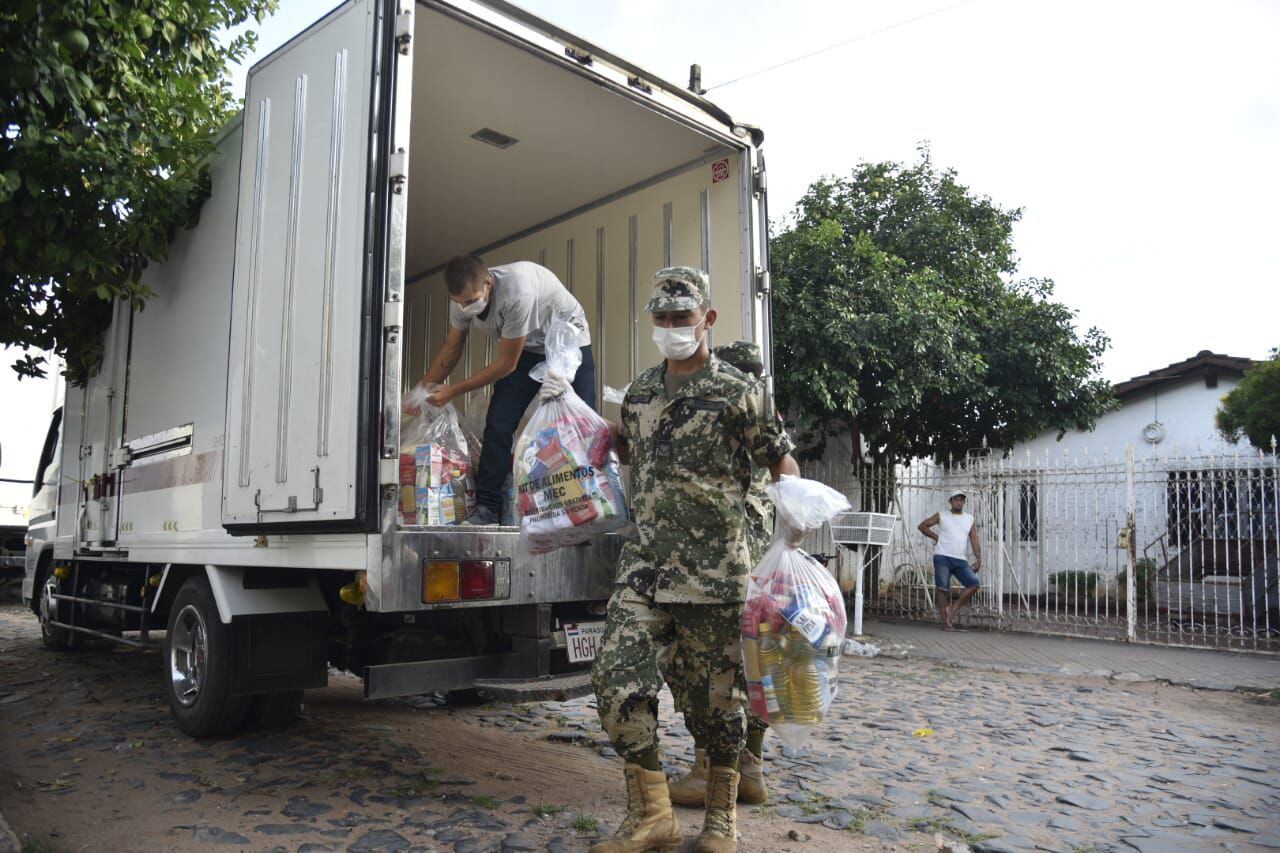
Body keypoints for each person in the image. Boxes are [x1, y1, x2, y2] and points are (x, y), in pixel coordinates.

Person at [589, 267, 798, 853]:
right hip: (645, 566)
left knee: (718, 708)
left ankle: (721, 817)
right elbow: (633, 451)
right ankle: (651, 814)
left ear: (706, 319)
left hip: (716, 573)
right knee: (614, 681)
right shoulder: (640, 392)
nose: (672, 328)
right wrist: (591, 427)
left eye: (683, 318)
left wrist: (796, 512)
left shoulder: (740, 391)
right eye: (662, 318)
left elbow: (781, 463)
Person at [665, 341, 771, 809]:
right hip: (762, 580)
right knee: (754, 666)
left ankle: (707, 766)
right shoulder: (766, 429)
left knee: (697, 665)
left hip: (722, 574)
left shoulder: (729, 427)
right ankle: (752, 769)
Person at [410, 255, 593, 525]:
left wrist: (454, 390)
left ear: (489, 282)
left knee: (579, 426)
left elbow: (508, 364)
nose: (465, 307)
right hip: (529, 349)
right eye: (459, 302)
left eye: (471, 301)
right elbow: (452, 348)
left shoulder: (518, 291)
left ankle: (589, 503)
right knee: (498, 423)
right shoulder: (461, 302)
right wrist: (420, 393)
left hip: (568, 344)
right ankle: (488, 507)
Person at [918, 490, 982, 631]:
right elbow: (922, 526)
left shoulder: (969, 518)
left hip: (960, 559)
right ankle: (947, 622)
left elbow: (974, 538)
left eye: (961, 500)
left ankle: (952, 609)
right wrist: (935, 537)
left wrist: (978, 558)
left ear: (964, 502)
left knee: (974, 584)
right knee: (943, 588)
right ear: (950, 501)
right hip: (942, 557)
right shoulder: (942, 515)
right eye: (956, 499)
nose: (959, 502)